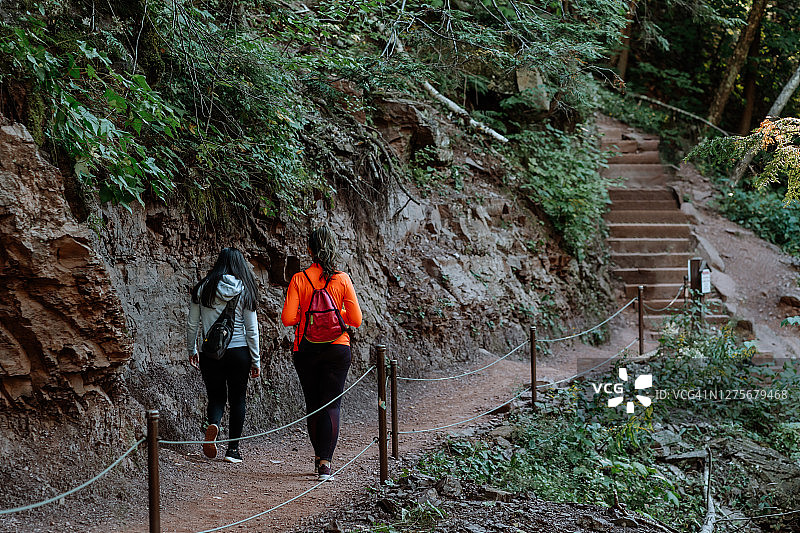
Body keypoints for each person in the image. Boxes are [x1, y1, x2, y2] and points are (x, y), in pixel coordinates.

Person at [281, 226, 363, 481]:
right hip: (338, 347)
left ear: (309, 249)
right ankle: (325, 464)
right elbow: (357, 320)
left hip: (305, 349)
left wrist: (308, 317)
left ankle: (319, 455)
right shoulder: (342, 279)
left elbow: (287, 319)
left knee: (314, 404)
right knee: (332, 404)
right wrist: (339, 316)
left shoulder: (299, 278)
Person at [187, 247, 260, 464]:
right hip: (239, 352)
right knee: (238, 398)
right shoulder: (244, 290)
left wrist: (192, 349)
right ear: (239, 265)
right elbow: (252, 330)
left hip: (211, 352)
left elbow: (193, 323)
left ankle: (215, 424)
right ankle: (233, 450)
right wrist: (256, 359)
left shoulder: (203, 288)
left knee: (216, 396)